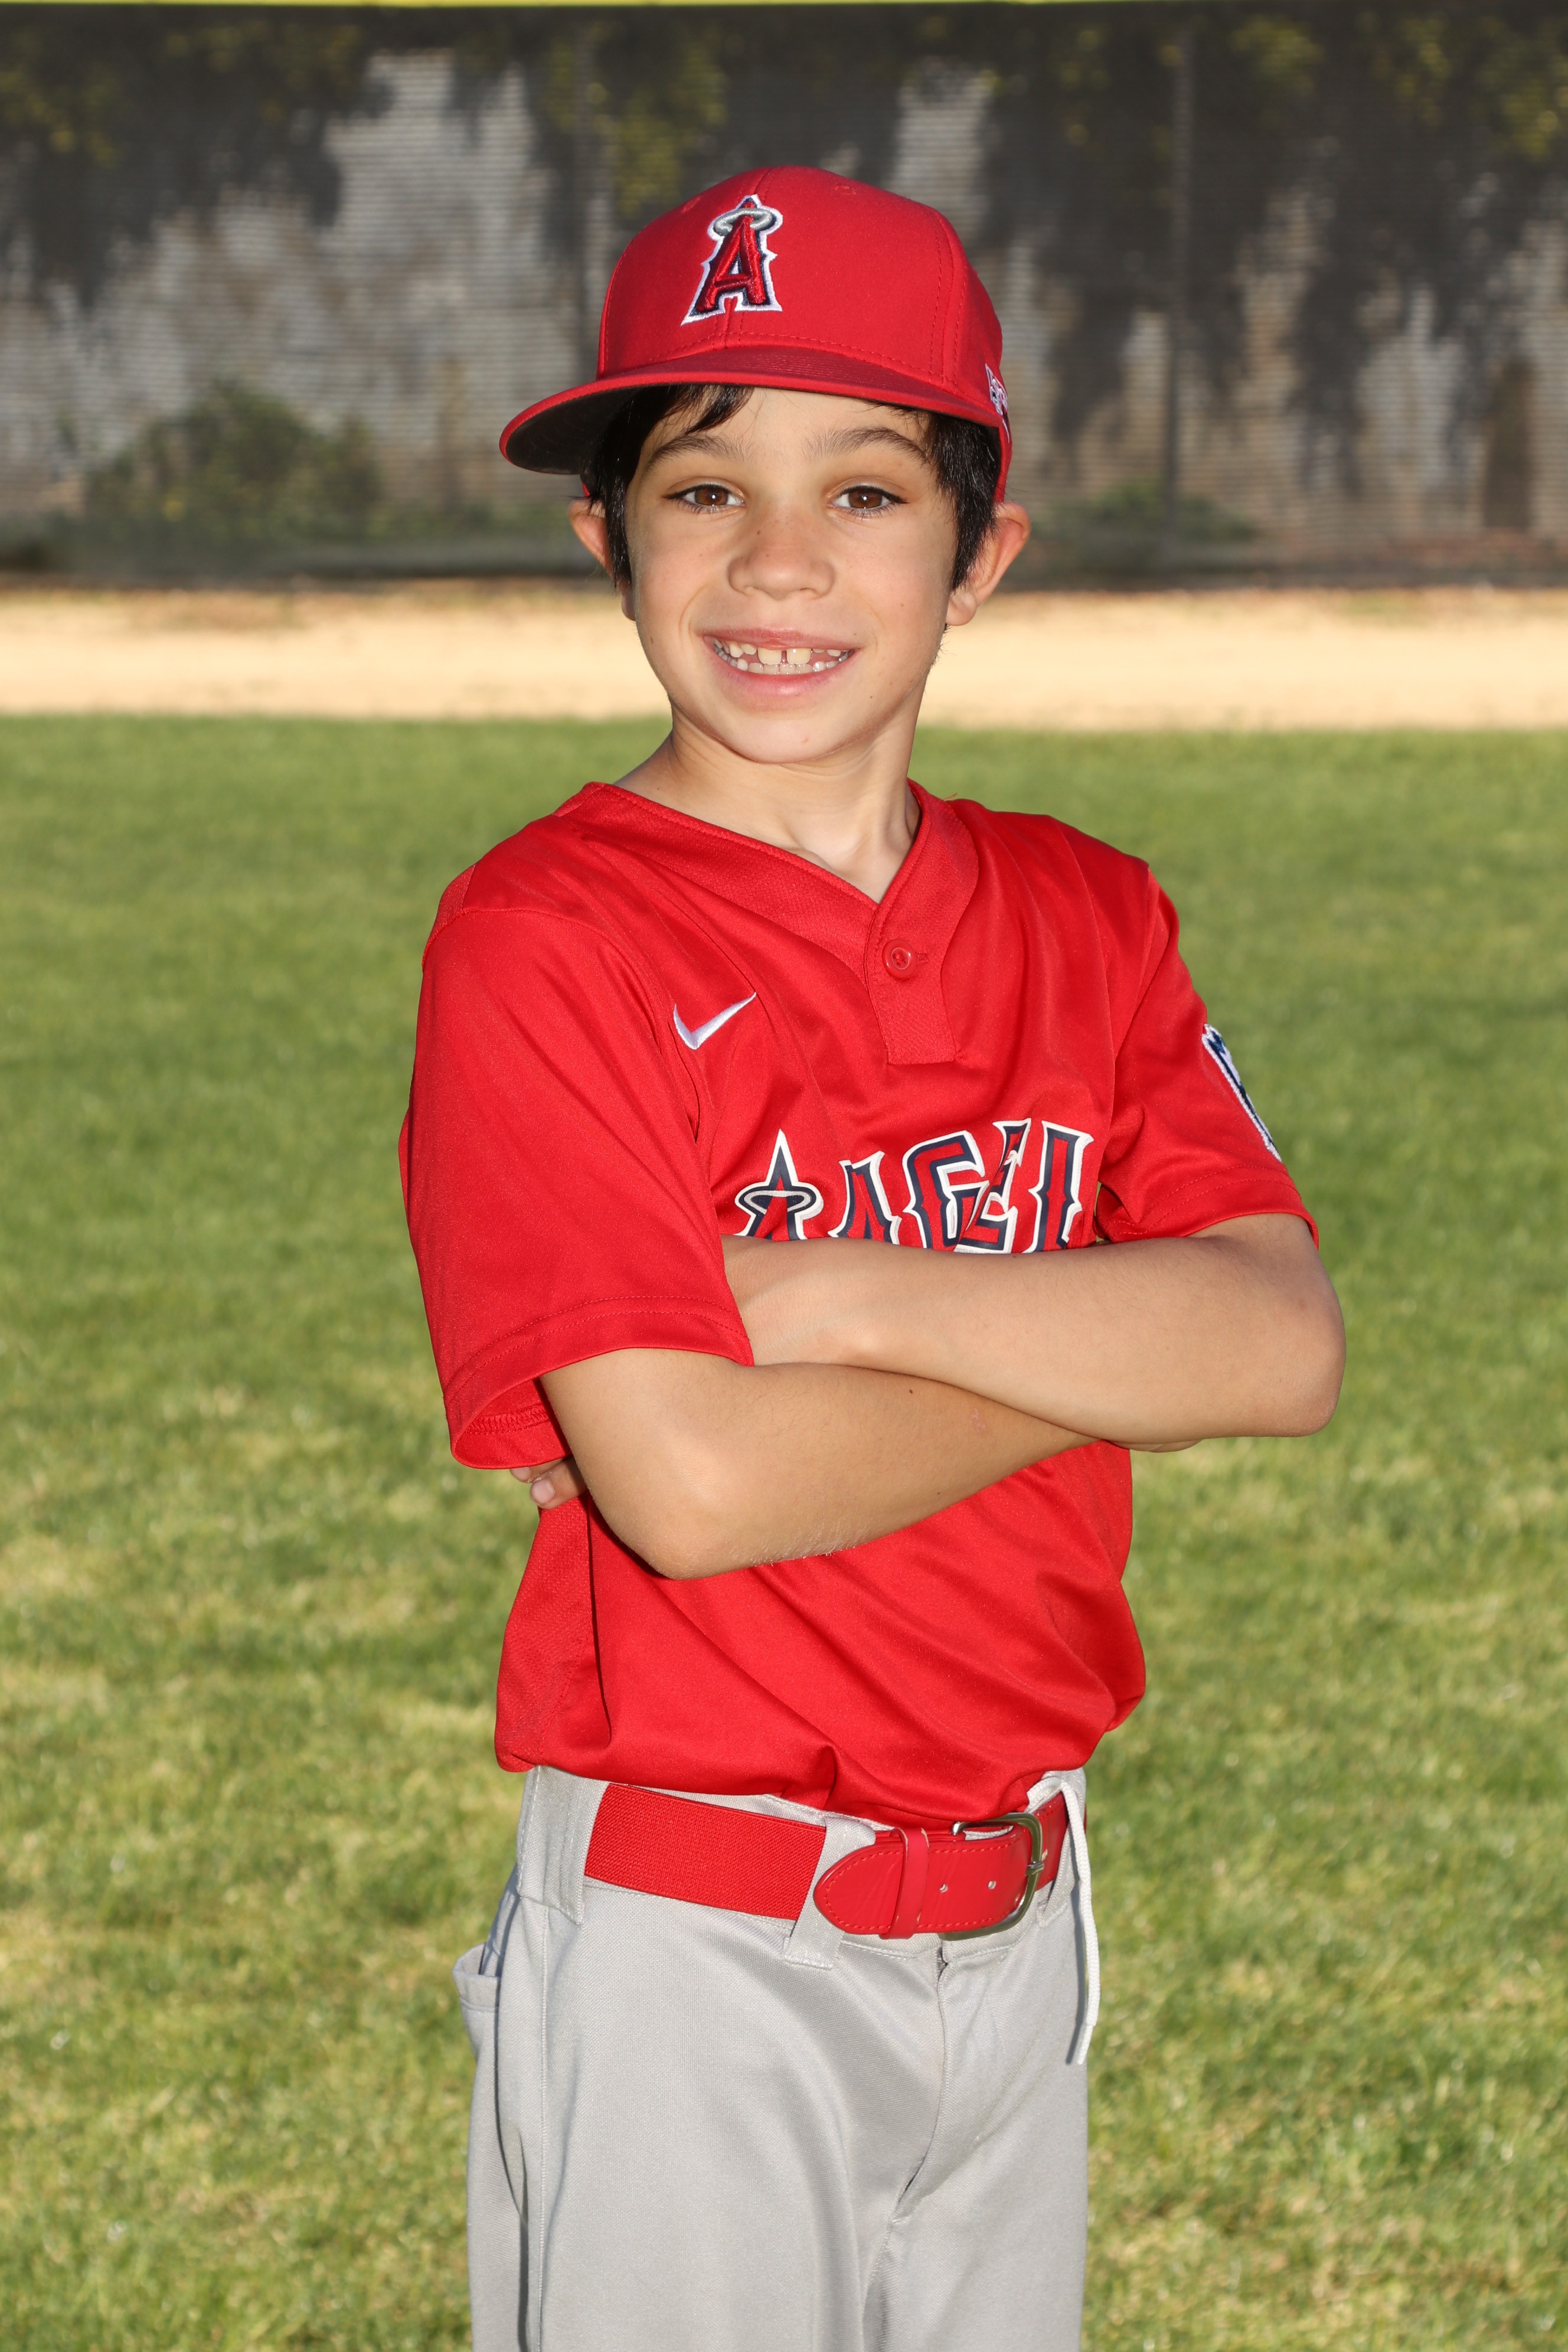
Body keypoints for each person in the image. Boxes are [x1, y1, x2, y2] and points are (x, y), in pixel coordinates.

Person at [400, 166, 1344, 2352]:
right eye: (703, 487)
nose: (779, 562)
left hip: (1024, 1925)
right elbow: (694, 1484)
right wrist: (1105, 1346)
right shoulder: (544, 936)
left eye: (866, 490)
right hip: (700, 1949)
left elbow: (1282, 1343)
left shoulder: (1091, 912)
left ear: (978, 555)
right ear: (608, 539)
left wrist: (836, 1296)